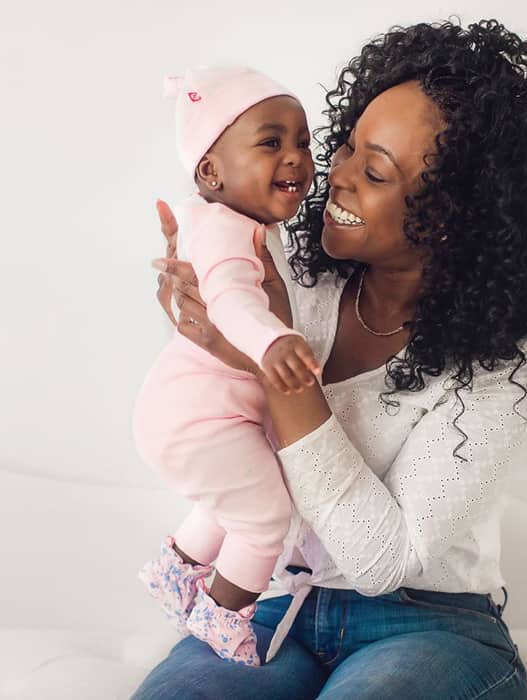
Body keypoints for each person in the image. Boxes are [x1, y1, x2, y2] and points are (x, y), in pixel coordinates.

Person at [133, 18, 527, 700]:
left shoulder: (501, 363)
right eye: (348, 148)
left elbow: (383, 560)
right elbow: (228, 433)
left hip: (430, 623)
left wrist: (277, 369)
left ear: (445, 215)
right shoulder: (298, 279)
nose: (337, 176)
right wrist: (202, 327)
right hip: (279, 606)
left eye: (374, 171)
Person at [132, 65, 320, 665]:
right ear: (210, 171)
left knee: (231, 502)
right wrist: (274, 341)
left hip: (192, 410)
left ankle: (176, 571)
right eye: (271, 143)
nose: (295, 158)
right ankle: (220, 620)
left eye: (303, 142)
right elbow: (234, 299)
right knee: (265, 519)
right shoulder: (224, 230)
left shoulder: (230, 221)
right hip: (198, 415)